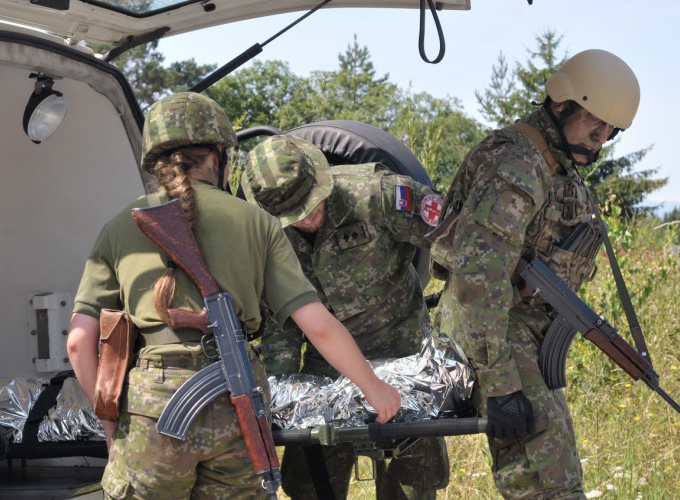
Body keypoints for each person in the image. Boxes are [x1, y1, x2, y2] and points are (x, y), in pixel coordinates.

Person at [66, 91, 401, 499]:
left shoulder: (120, 226)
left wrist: (112, 422)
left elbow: (80, 341)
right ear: (218, 156)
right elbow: (318, 325)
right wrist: (374, 388)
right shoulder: (257, 222)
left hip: (152, 407)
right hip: (237, 405)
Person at [429, 49, 640, 499]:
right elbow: (477, 279)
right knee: (544, 477)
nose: (599, 140)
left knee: (558, 465)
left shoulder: (558, 161)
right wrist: (501, 385)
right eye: (593, 125)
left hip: (517, 325)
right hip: (488, 325)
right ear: (562, 105)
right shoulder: (519, 165)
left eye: (609, 132)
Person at [241, 134, 448, 500]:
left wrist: (452, 334)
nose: (305, 218)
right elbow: (279, 320)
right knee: (308, 484)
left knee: (414, 484)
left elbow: (457, 245)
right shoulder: (265, 232)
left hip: (406, 359)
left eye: (310, 205)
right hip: (326, 371)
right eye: (294, 215)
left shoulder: (378, 195)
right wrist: (278, 398)